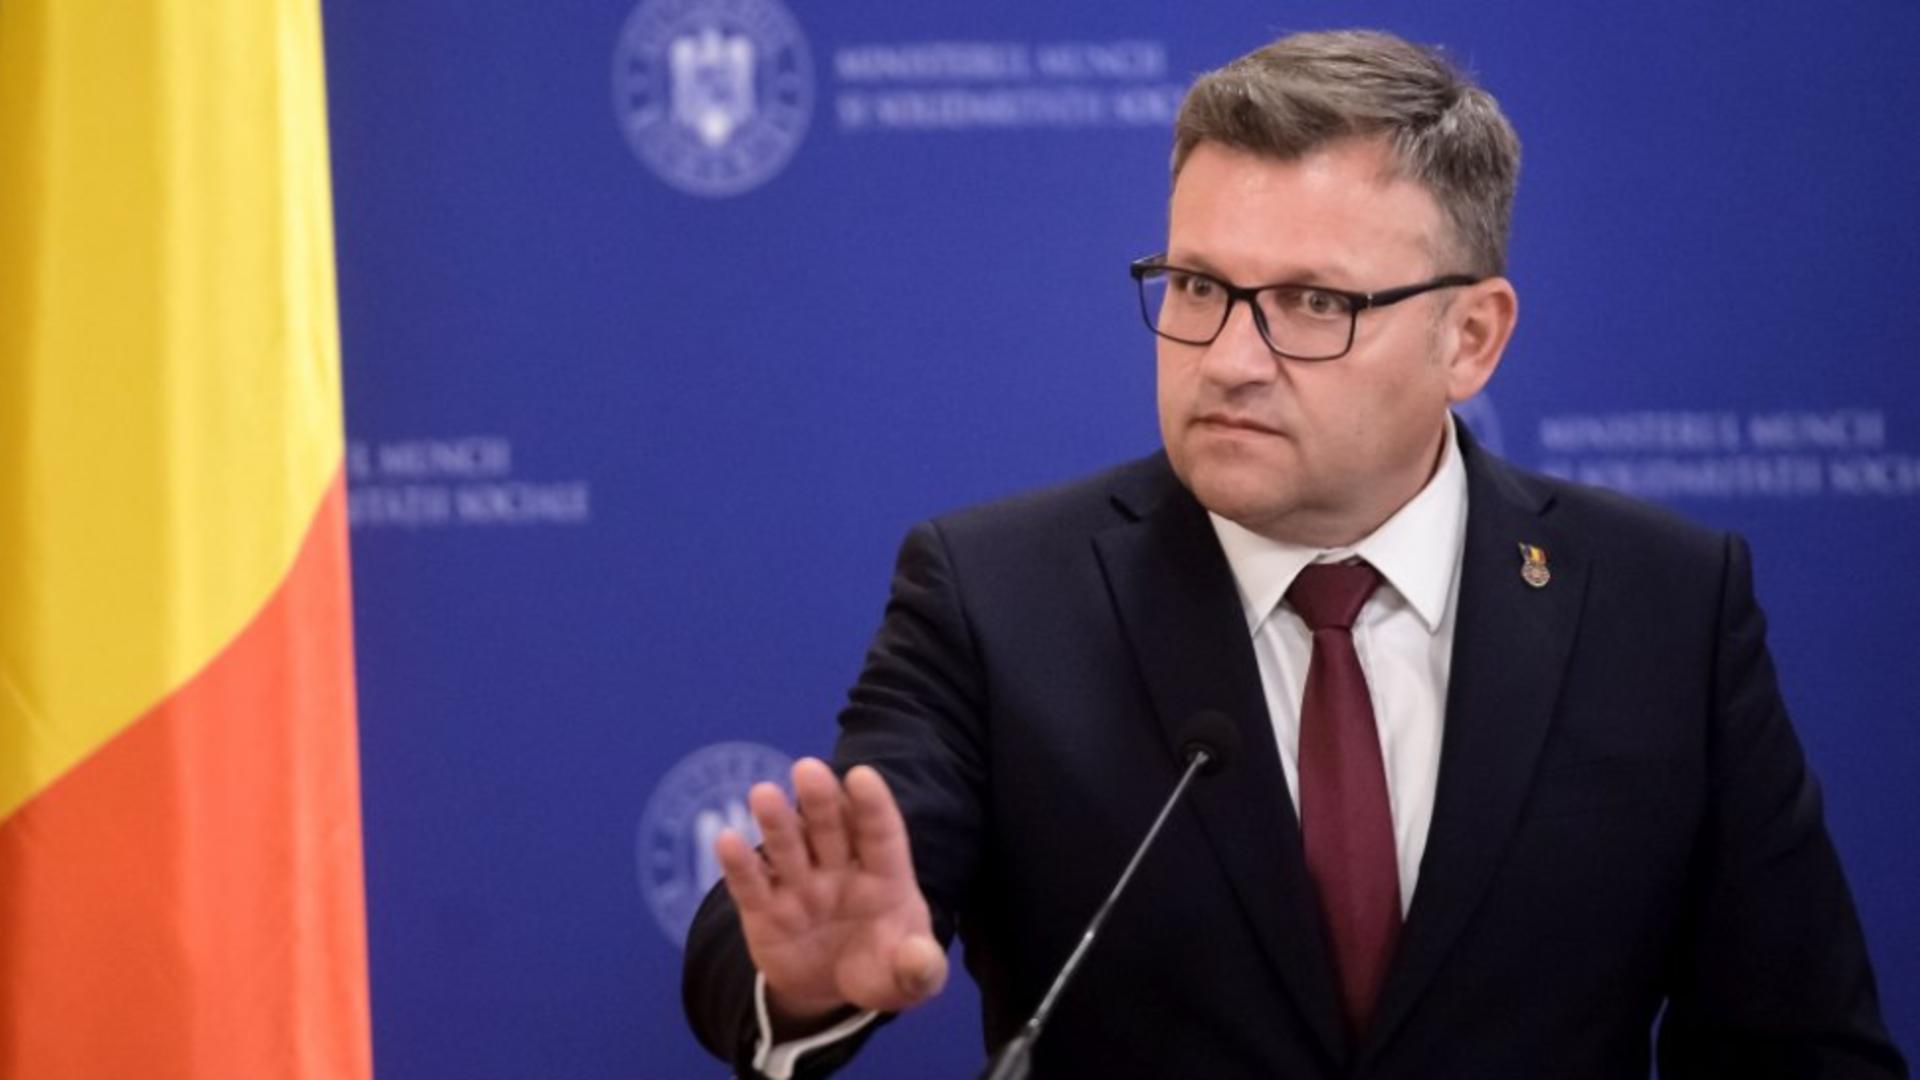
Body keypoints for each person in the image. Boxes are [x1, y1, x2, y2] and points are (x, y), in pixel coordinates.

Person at [682, 29, 1907, 1079]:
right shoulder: (997, 598)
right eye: (1196, 286)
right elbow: (803, 923)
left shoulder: (1664, 606)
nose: (1228, 359)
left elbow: (1799, 1042)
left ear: (1471, 338)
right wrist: (808, 982)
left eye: (1314, 303)